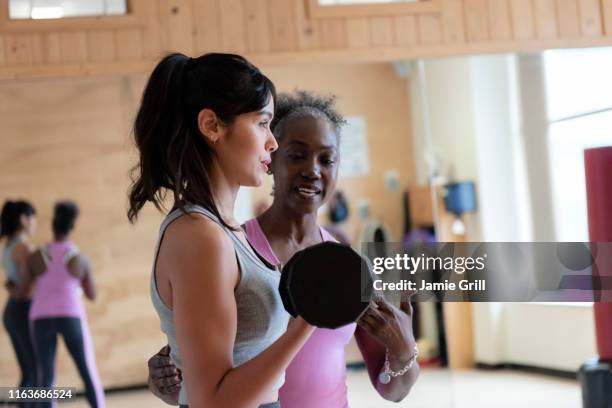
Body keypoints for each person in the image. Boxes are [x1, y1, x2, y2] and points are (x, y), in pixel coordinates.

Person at [148, 91, 419, 407]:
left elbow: (393, 390)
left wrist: (404, 348)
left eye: (326, 159)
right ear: (270, 158)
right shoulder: (233, 249)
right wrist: (166, 381)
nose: (313, 170)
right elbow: (204, 383)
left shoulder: (347, 266)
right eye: (297, 155)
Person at [128, 53, 315, 408]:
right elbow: (212, 401)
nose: (272, 142)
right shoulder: (200, 236)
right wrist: (306, 324)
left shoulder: (224, 230)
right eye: (262, 123)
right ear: (212, 125)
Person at [26, 201, 104, 408]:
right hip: (71, 316)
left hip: (41, 318)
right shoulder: (80, 259)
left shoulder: (36, 256)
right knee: (86, 369)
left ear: (53, 225)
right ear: (72, 227)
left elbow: (24, 290)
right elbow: (92, 295)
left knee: (46, 377)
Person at [1, 200, 38, 404]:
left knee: (28, 372)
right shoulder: (24, 247)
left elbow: (10, 284)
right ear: (24, 219)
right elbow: (25, 290)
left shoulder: (8, 245)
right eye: (33, 218)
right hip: (22, 310)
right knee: (34, 371)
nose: (35, 223)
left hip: (12, 312)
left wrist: (12, 289)